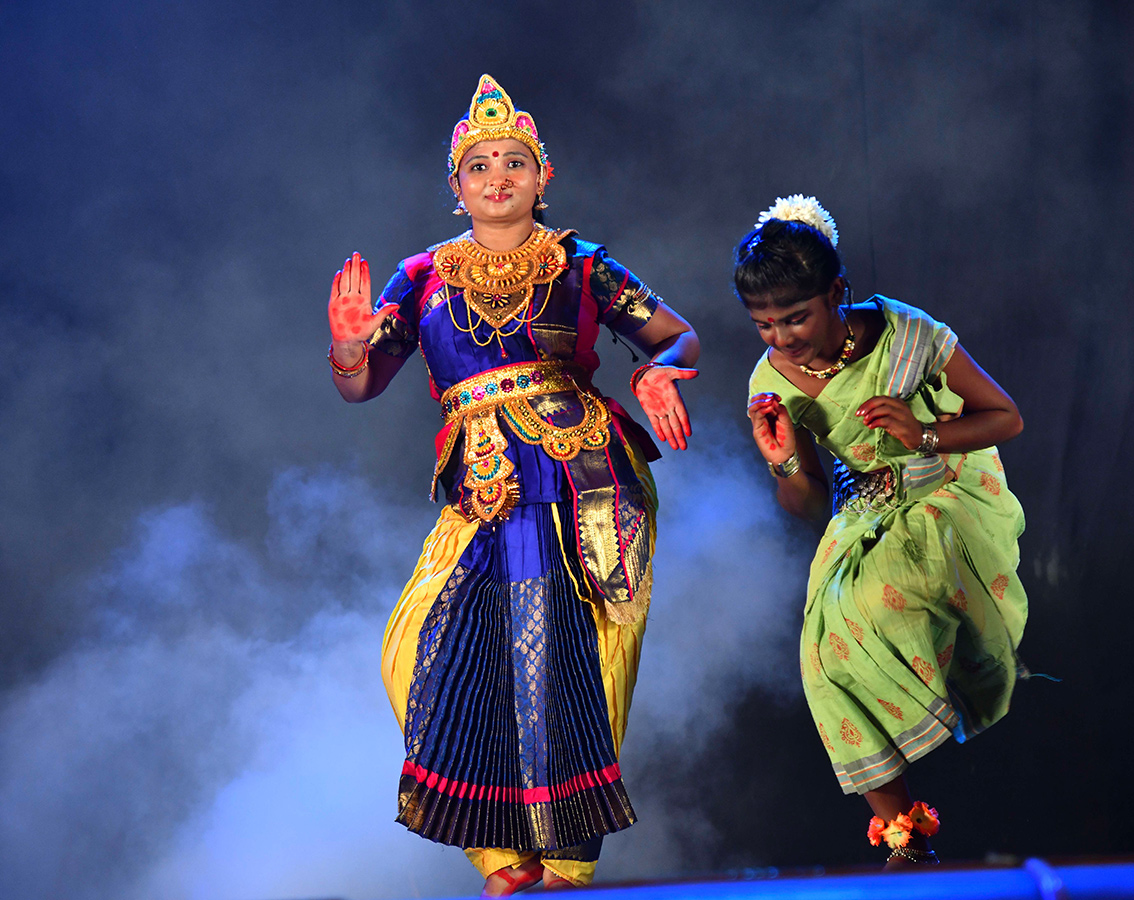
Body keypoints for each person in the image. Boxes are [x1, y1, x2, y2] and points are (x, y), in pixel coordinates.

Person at [326, 75, 699, 895]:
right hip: (483, 485)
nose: (498, 176)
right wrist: (349, 348)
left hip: (585, 478)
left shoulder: (586, 265)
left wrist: (660, 375)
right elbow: (364, 384)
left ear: (543, 175)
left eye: (515, 162)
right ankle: (505, 857)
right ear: (455, 189)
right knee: (418, 647)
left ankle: (561, 868)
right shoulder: (419, 276)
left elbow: (674, 337)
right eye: (480, 165)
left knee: (572, 662)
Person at [738, 194, 1027, 867]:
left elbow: (1005, 417)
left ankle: (962, 702)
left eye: (797, 317)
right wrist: (782, 460)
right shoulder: (771, 382)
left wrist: (924, 430)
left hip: (946, 486)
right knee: (821, 656)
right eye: (764, 325)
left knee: (883, 601)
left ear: (837, 291)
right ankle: (906, 835)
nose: (783, 338)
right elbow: (809, 508)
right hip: (862, 513)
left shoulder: (907, 334)